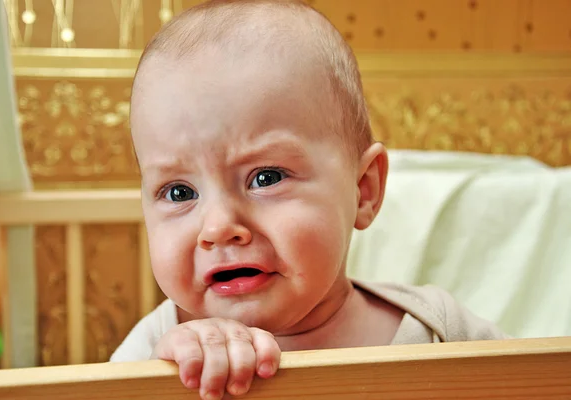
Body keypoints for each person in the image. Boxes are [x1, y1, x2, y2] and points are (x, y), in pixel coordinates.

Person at [111, 1, 510, 399]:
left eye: (265, 178)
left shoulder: (438, 330)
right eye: (179, 192)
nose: (217, 227)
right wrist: (162, 380)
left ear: (363, 190)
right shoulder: (159, 350)